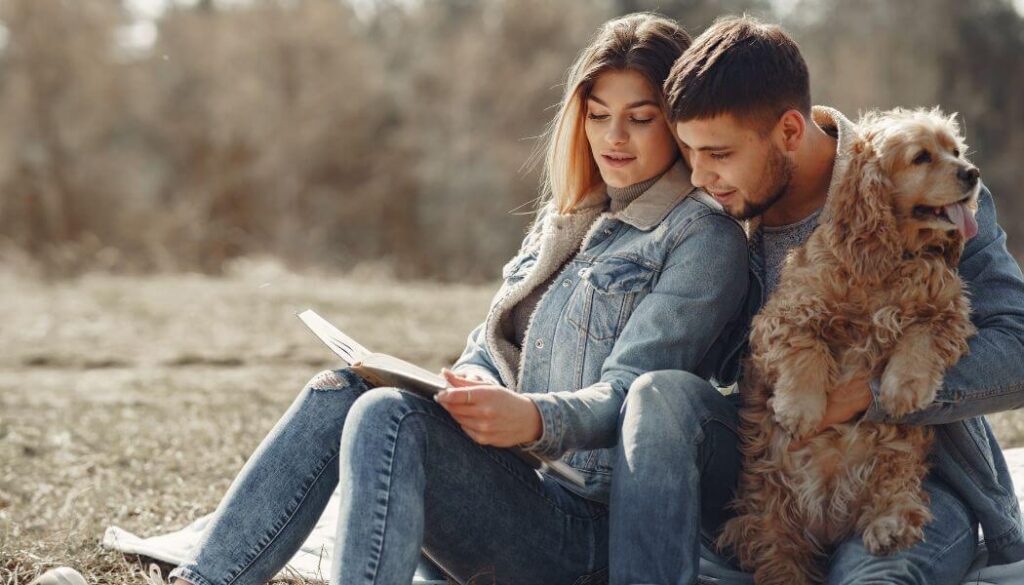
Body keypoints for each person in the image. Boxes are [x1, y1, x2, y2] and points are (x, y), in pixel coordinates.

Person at [167, 13, 750, 585]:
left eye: (640, 119)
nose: (613, 137)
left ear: (678, 125)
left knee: (386, 416)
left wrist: (531, 417)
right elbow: (488, 346)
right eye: (598, 116)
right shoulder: (567, 218)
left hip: (590, 527)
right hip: (516, 485)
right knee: (344, 391)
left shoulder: (703, 238)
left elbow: (632, 397)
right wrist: (468, 384)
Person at [612, 14, 1024, 585]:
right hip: (774, 474)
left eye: (719, 154)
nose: (700, 176)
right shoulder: (710, 218)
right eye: (691, 153)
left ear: (788, 131)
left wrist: (869, 395)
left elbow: (1017, 349)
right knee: (660, 394)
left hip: (914, 476)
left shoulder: (936, 201)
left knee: (869, 578)